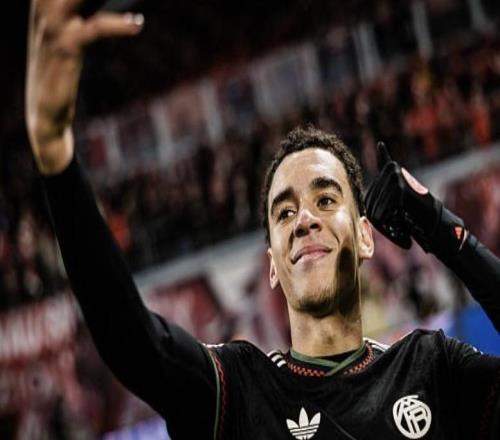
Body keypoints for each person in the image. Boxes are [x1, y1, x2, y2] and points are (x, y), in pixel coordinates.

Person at [25, 0, 500, 438]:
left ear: (365, 237)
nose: (304, 219)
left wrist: (443, 230)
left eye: (326, 199)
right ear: (273, 264)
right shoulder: (237, 393)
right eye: (285, 211)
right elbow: (135, 343)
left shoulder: (433, 370)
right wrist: (55, 156)